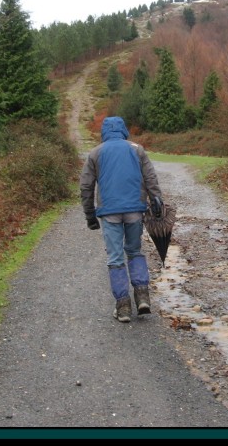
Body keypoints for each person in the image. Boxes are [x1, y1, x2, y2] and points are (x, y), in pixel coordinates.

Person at [80, 116, 163, 323]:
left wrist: (90, 215)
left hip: (110, 212)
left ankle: (123, 307)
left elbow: (86, 187)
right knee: (134, 251)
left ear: (104, 132)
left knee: (115, 257)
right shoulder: (137, 149)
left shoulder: (95, 153)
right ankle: (143, 296)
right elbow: (150, 178)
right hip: (135, 209)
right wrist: (156, 201)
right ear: (124, 130)